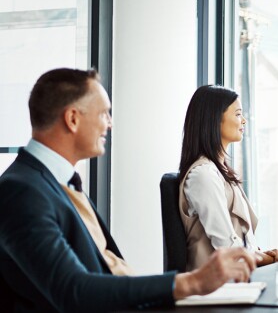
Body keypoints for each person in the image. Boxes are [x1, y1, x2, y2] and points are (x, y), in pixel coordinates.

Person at [0, 69, 257, 312]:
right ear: (73, 119)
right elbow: (72, 290)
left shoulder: (58, 183)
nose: (109, 124)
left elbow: (104, 271)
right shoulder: (21, 191)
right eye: (103, 114)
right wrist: (190, 283)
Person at [178, 85, 278, 271]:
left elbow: (239, 245)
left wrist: (264, 255)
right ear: (215, 119)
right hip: (216, 288)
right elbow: (227, 247)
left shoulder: (219, 172)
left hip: (236, 280)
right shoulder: (203, 175)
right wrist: (268, 259)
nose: (243, 121)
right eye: (237, 114)